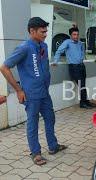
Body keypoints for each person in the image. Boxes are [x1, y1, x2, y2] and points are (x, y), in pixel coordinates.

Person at [0, 17, 67, 166]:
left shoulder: (43, 45)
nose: (45, 34)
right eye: (43, 32)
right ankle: (36, 152)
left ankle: (53, 146)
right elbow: (4, 67)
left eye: (46, 31)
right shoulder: (24, 48)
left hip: (44, 93)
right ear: (32, 31)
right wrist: (18, 90)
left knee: (50, 118)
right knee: (33, 123)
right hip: (31, 94)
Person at [52, 27, 96, 109]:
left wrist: (82, 58)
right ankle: (82, 103)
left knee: (83, 84)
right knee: (81, 85)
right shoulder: (67, 42)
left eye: (77, 34)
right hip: (74, 67)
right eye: (74, 35)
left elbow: (82, 52)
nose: (76, 36)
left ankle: (85, 101)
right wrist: (55, 61)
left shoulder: (80, 43)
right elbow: (59, 51)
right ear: (70, 35)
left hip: (81, 66)